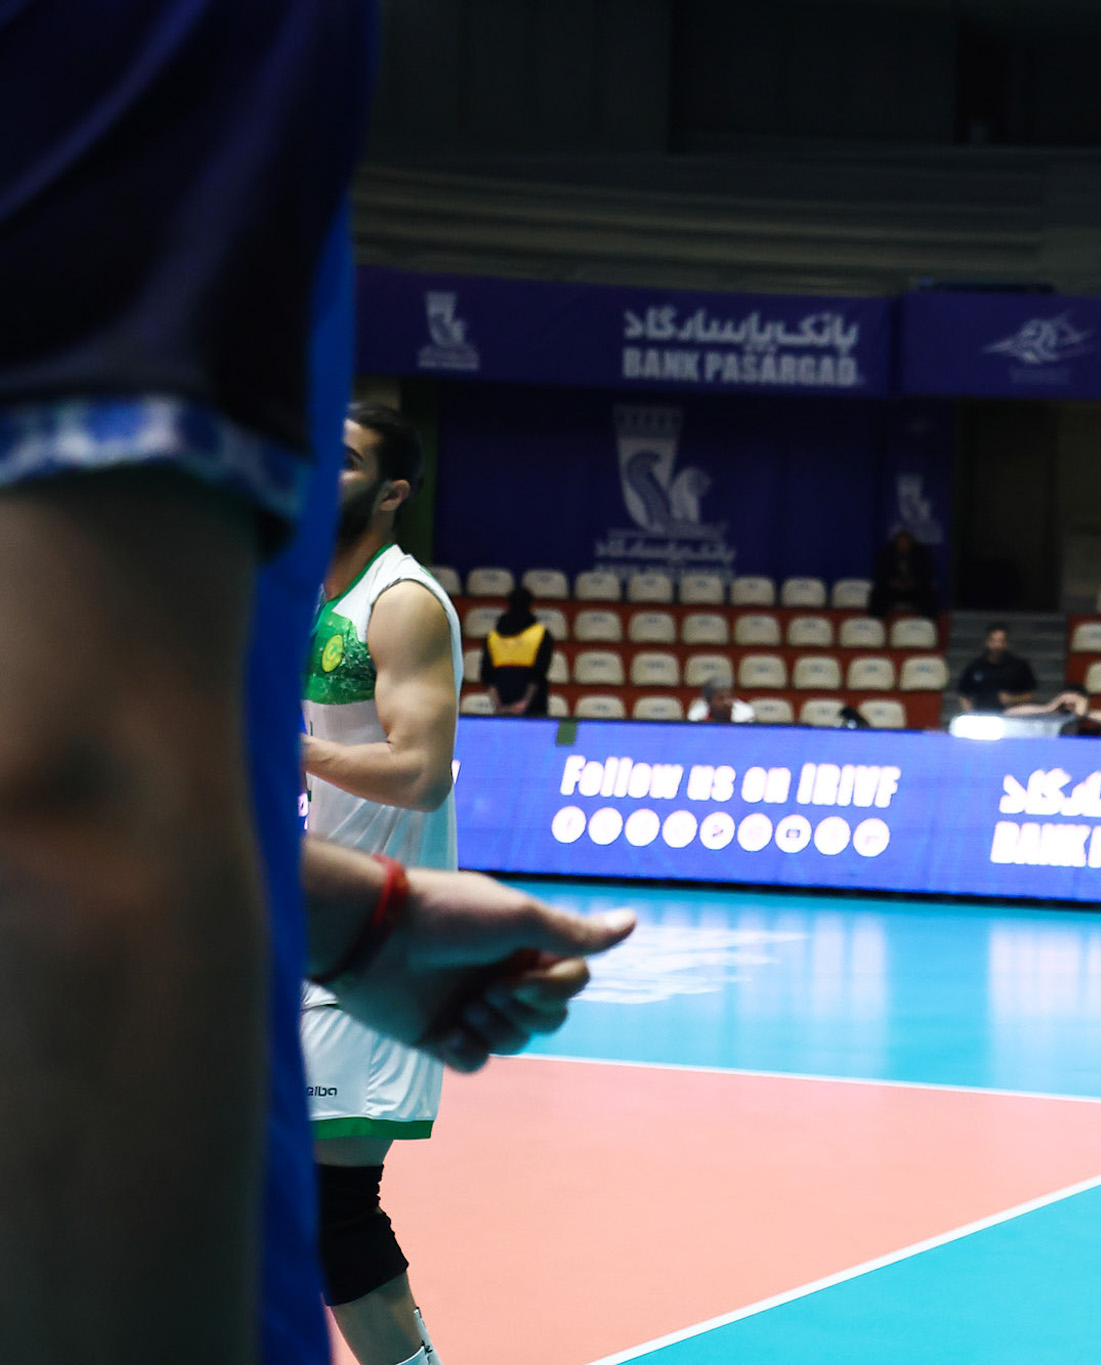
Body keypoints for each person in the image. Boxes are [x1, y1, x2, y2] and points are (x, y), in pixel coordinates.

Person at [0, 11, 632, 1361]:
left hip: (304, 937)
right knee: (324, 1221)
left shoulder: (400, 600)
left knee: (339, 1215)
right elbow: (70, 792)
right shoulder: (187, 41)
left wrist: (339, 910)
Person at [300, 402, 464, 1365]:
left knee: (332, 1207)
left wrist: (287, 748)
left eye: (347, 459)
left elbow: (421, 771)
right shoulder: (316, 592)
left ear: (393, 492)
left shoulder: (400, 603)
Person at [481, 586, 555, 716]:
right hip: (534, 708)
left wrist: (499, 706)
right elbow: (539, 674)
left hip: (502, 708)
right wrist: (524, 703)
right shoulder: (541, 634)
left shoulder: (492, 637)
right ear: (531, 605)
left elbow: (487, 676)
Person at [957, 625, 1037, 711]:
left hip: (1011, 714)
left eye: (1001, 641)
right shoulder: (975, 666)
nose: (997, 645)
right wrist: (970, 713)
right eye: (994, 641)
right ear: (987, 642)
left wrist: (1012, 699)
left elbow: (1030, 694)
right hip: (982, 714)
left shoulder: (1020, 666)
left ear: (1007, 644)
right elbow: (964, 694)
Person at [870, 527, 938, 619]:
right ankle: (876, 622)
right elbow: (880, 574)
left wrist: (914, 582)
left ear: (911, 543)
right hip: (893, 589)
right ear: (896, 543)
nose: (903, 545)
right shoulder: (887, 553)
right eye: (901, 542)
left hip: (914, 589)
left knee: (929, 595)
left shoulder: (920, 553)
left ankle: (928, 622)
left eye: (906, 542)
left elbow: (928, 574)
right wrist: (892, 582)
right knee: (877, 594)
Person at [688, 679, 756, 723]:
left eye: (730, 697)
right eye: (721, 698)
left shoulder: (745, 715)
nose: (727, 702)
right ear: (709, 701)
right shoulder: (696, 715)